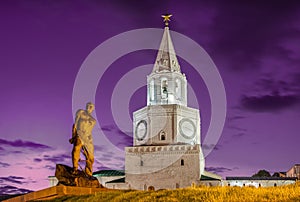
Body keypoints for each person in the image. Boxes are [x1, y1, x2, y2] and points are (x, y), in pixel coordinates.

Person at [70, 102, 96, 176]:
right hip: (80, 134)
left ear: (93, 109)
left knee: (91, 157)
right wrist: (73, 136)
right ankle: (75, 168)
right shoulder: (81, 112)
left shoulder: (93, 120)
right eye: (88, 106)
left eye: (91, 106)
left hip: (88, 137)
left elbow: (90, 129)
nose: (89, 107)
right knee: (76, 148)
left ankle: (89, 172)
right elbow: (75, 124)